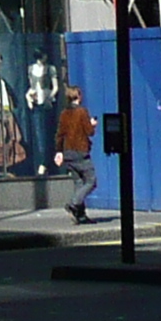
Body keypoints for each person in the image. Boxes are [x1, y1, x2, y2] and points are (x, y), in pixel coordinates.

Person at [52, 84, 99, 224]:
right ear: (78, 96)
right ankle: (73, 204)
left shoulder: (64, 113)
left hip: (68, 152)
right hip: (80, 151)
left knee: (79, 182)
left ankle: (80, 215)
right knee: (91, 181)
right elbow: (89, 132)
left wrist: (59, 151)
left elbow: (60, 135)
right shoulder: (82, 112)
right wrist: (92, 124)